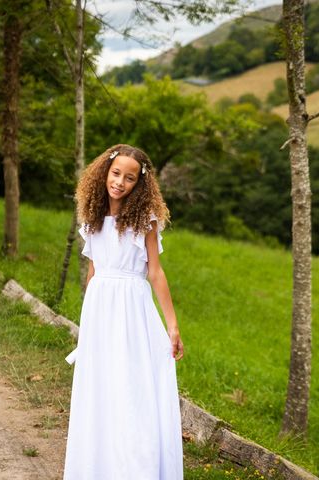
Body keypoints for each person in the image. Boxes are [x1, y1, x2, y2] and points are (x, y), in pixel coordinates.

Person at [63, 144, 184, 479]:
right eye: (116, 173)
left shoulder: (144, 221)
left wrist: (172, 326)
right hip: (100, 308)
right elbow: (93, 271)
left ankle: (134, 468)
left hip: (132, 308)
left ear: (139, 183)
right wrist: (88, 320)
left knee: (131, 387)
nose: (120, 182)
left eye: (130, 177)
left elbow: (155, 272)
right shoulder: (91, 218)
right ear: (104, 172)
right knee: (101, 386)